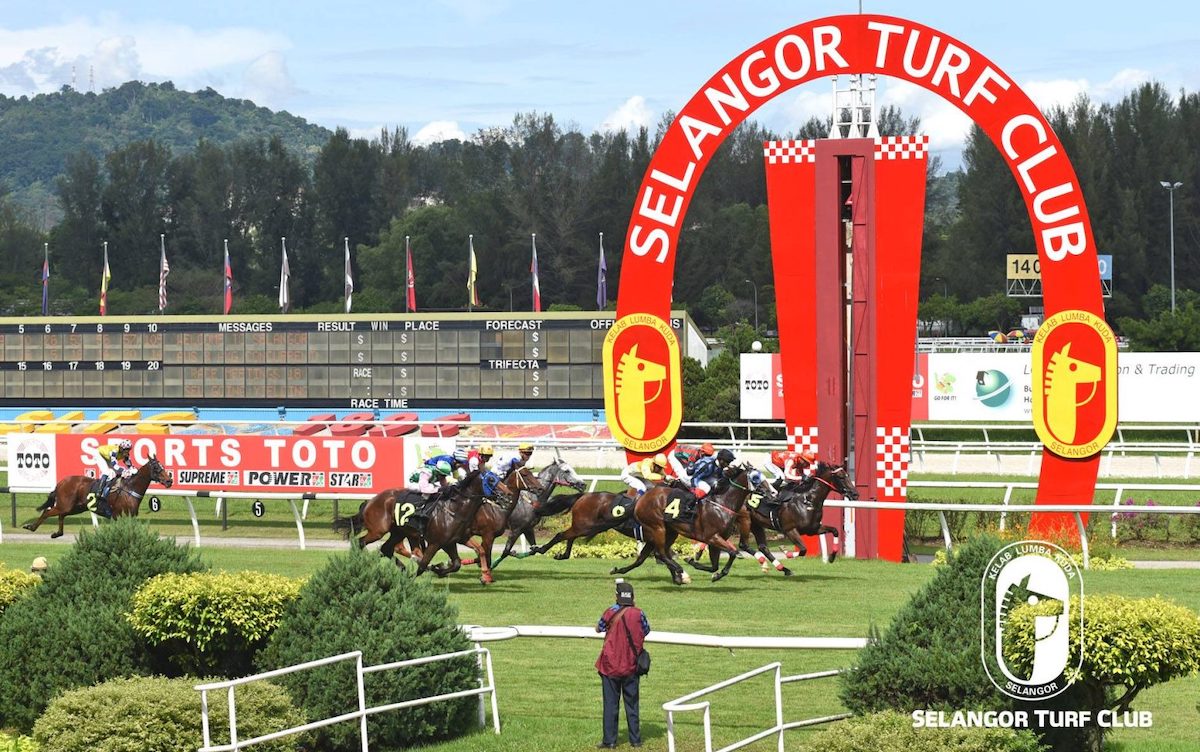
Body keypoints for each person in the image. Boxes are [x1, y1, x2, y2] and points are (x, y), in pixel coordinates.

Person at [595, 580, 650, 749]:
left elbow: (599, 627)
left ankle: (609, 741)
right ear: (633, 597)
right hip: (632, 666)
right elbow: (646, 630)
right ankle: (635, 740)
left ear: (617, 597)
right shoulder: (639, 613)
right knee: (632, 705)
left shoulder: (610, 612)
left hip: (610, 666)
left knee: (610, 705)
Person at [89, 438, 134, 518]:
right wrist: (124, 470)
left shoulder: (125, 454)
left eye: (128, 450)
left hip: (107, 457)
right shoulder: (114, 451)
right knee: (106, 472)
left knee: (114, 474)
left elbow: (130, 466)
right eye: (125, 449)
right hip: (99, 454)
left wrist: (133, 470)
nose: (127, 452)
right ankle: (100, 492)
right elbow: (115, 466)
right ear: (121, 448)